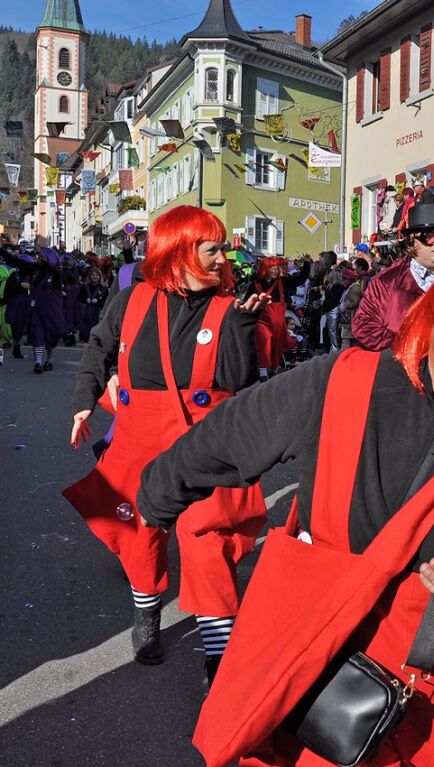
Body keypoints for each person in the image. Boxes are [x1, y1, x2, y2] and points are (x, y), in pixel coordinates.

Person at [134, 229, 434, 767]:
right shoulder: (346, 380)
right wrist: (155, 497)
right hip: (303, 677)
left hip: (426, 715)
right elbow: (228, 436)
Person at [62, 205, 269, 682]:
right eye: (212, 249)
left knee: (208, 540)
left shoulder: (227, 307)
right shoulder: (130, 301)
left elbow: (237, 381)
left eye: (223, 249)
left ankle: (218, 655)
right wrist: (83, 403)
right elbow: (98, 348)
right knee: (138, 533)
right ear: (178, 252)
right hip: (138, 434)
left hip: (205, 438)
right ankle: (147, 617)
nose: (224, 260)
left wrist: (240, 328)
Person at [352, 203, 434, 351]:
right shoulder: (387, 281)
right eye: (429, 237)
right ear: (412, 241)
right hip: (401, 368)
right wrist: (407, 345)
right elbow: (363, 326)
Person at [249, 255, 311, 379]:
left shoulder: (283, 281)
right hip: (262, 321)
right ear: (265, 269)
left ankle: (273, 368)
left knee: (276, 346)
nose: (275, 270)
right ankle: (263, 373)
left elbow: (300, 279)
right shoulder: (255, 285)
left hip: (278, 322)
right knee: (264, 344)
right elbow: (248, 302)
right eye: (272, 268)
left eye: (276, 267)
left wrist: (307, 264)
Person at [76, 266, 109, 342]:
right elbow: (79, 297)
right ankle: (86, 337)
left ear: (100, 276)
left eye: (96, 275)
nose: (94, 277)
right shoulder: (85, 286)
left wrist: (98, 301)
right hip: (87, 309)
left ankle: (96, 337)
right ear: (90, 276)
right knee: (86, 323)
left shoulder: (103, 287)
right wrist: (85, 299)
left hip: (98, 309)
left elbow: (106, 300)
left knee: (97, 323)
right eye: (93, 275)